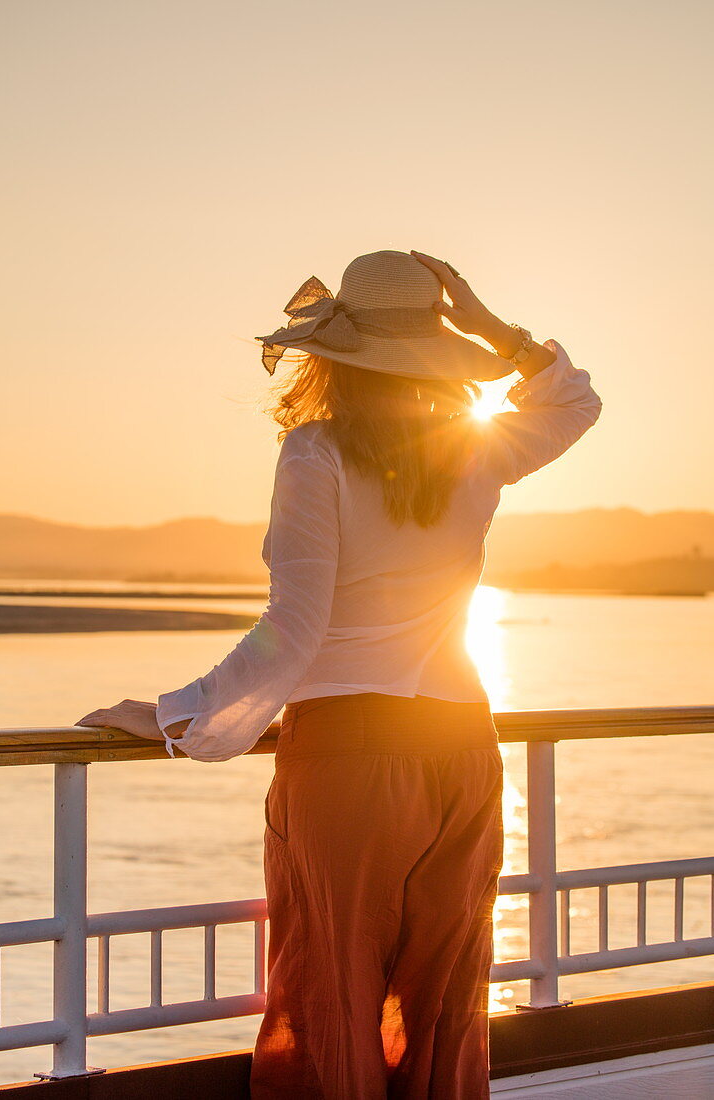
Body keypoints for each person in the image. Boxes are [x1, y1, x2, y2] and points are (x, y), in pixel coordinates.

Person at [76, 249, 602, 1099]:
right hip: (466, 756)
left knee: (333, 1001)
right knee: (440, 1006)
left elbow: (294, 629)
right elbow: (575, 402)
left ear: (332, 357)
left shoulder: (314, 454)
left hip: (350, 762)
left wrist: (177, 714)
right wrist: (489, 327)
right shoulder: (472, 448)